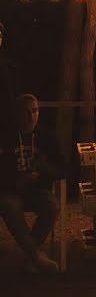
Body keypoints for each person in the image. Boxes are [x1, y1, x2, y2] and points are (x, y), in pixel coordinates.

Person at [0, 94, 64, 273]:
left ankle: (32, 254)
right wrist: (15, 181)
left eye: (35, 111)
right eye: (26, 112)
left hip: (37, 190)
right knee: (9, 205)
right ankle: (35, 256)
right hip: (10, 191)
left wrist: (43, 171)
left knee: (52, 205)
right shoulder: (5, 136)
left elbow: (64, 170)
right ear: (16, 114)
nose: (31, 116)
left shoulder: (47, 138)